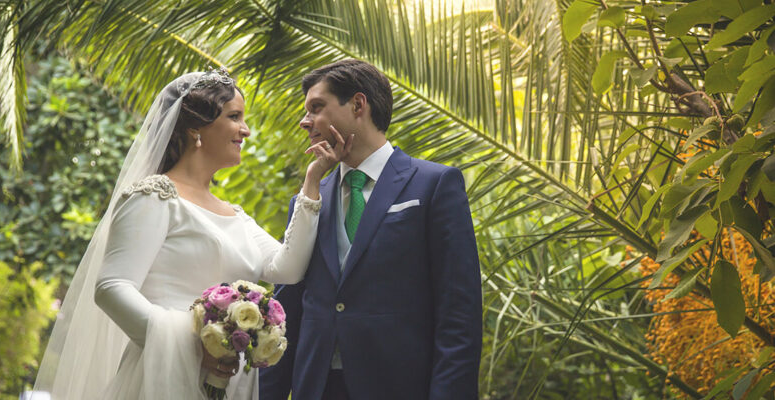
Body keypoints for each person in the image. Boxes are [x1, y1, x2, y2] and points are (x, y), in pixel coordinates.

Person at [32, 69, 350, 399]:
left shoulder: (235, 215)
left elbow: (288, 268)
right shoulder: (154, 196)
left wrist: (312, 184)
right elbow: (112, 288)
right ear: (195, 126)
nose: (246, 130)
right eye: (235, 117)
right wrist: (196, 346)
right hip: (163, 379)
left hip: (231, 383)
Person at [259, 59, 482, 399]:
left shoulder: (434, 185)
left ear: (358, 104)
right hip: (317, 387)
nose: (305, 121)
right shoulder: (308, 198)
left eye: (316, 108)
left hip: (399, 386)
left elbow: (459, 313)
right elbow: (287, 309)